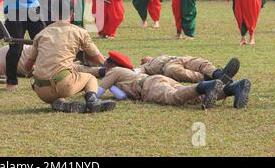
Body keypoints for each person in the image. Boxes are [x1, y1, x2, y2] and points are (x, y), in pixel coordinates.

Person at [24, 0, 116, 113]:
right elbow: (99, 60)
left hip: (41, 91)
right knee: (90, 78)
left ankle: (59, 103)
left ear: (53, 14)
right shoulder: (79, 32)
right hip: (63, 85)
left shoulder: (41, 34)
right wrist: (113, 67)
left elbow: (27, 67)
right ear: (72, 14)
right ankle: (92, 101)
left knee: (64, 75)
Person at [97, 51, 251, 109]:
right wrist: (115, 89)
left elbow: (98, 93)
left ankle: (209, 80)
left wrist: (93, 95)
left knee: (174, 98)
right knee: (193, 98)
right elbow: (122, 96)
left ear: (110, 65)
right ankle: (235, 87)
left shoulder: (115, 71)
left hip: (149, 86)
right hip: (156, 80)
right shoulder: (123, 74)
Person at [137, 55, 240, 84]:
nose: (144, 58)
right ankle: (209, 79)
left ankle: (218, 74)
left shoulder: (161, 55)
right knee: (176, 71)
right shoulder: (146, 67)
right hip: (167, 67)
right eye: (143, 60)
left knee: (201, 63)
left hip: (179, 58)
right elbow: (135, 72)